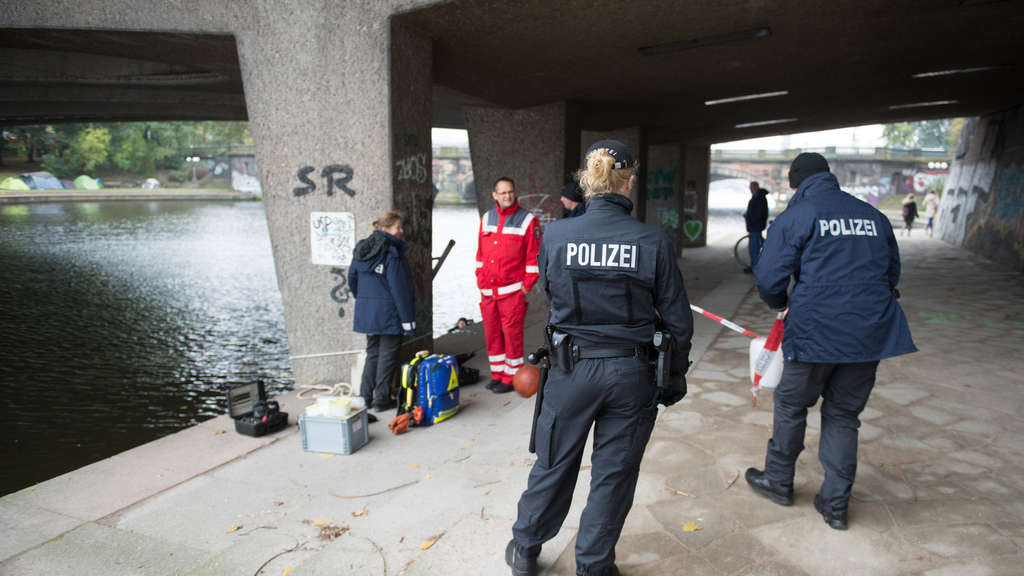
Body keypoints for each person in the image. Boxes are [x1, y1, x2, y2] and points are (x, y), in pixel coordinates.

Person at [507, 140, 693, 576]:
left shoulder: (555, 235)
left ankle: (525, 547)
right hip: (632, 372)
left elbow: (550, 294)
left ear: (588, 182)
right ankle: (593, 564)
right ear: (629, 183)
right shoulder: (652, 240)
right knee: (614, 474)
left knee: (554, 462)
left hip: (570, 370)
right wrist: (674, 375)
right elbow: (678, 321)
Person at [745, 153, 916, 530]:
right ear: (830, 178)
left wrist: (784, 304)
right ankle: (836, 504)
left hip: (814, 332)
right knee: (843, 415)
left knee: (791, 405)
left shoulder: (797, 217)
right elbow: (892, 274)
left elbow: (770, 279)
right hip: (868, 334)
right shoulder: (873, 216)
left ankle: (778, 481)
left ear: (796, 183)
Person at [348, 211, 416, 422]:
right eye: (398, 227)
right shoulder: (392, 253)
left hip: (367, 311)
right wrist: (408, 322)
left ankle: (364, 398)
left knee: (372, 354)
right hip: (389, 313)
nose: (401, 231)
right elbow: (400, 290)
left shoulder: (361, 250)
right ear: (385, 229)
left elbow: (352, 279)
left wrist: (365, 301)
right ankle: (382, 399)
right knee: (387, 356)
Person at [476, 177, 542, 393]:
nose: (507, 196)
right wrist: (479, 277)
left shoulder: (527, 220)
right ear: (494, 195)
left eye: (510, 192)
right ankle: (497, 374)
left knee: (512, 337)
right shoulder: (486, 218)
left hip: (512, 292)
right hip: (488, 292)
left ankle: (511, 377)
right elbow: (480, 254)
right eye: (502, 193)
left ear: (515, 193)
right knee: (492, 335)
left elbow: (534, 257)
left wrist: (526, 287)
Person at [744, 181, 770, 272]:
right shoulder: (759, 197)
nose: (750, 189)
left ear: (755, 187)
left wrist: (750, 219)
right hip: (755, 226)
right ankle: (755, 266)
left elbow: (758, 213)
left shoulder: (759, 198)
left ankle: (755, 267)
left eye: (751, 187)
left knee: (754, 248)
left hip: (755, 226)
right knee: (755, 247)